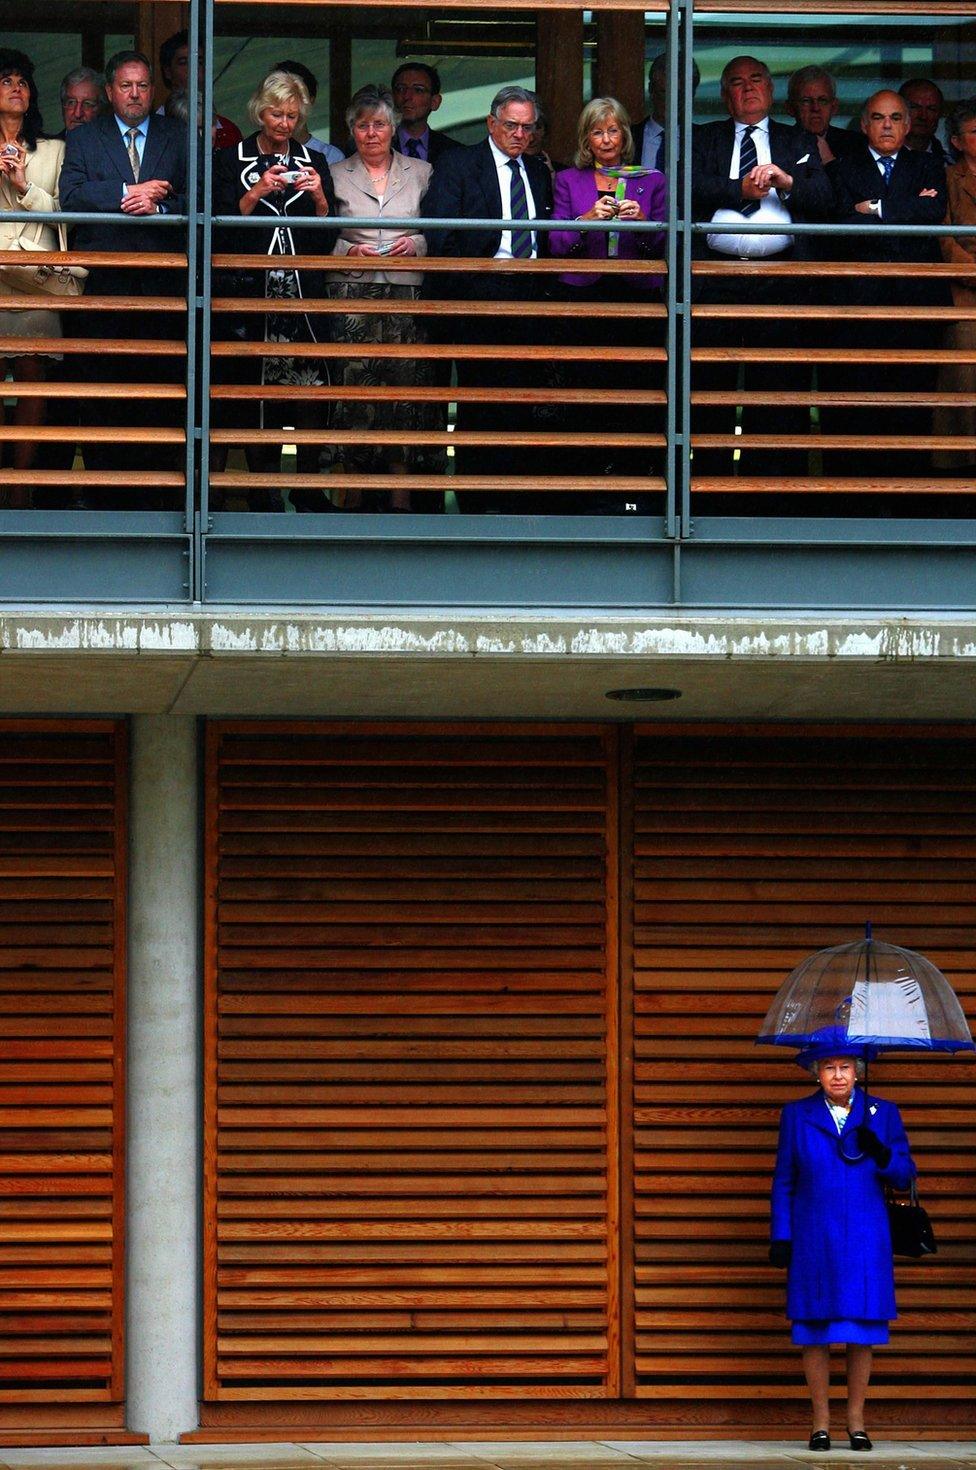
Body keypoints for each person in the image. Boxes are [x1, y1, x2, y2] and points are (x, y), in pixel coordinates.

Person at [691, 55, 832, 484]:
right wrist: (740, 189)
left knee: (777, 390)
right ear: (724, 95)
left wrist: (787, 183)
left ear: (771, 91)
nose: (748, 88)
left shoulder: (798, 140)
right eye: (736, 82)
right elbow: (686, 187)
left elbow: (825, 200)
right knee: (709, 389)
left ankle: (771, 494)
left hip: (781, 281)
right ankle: (708, 492)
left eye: (756, 80)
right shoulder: (704, 137)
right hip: (715, 280)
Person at [770, 1047, 915, 1452]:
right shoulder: (796, 1114)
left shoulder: (882, 1112)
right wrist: (781, 1236)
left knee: (861, 1329)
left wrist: (882, 1151)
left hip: (866, 1238)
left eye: (845, 1067)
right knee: (814, 1329)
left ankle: (856, 1422)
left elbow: (904, 1174)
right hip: (813, 1236)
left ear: (858, 1072)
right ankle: (820, 1423)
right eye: (829, 1068)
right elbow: (784, 1179)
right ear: (816, 1073)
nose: (838, 1075)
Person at [60, 49, 187, 506]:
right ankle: (104, 491)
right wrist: (127, 193)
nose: (135, 94)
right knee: (102, 385)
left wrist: (162, 205)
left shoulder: (177, 134)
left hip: (163, 284)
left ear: (153, 91)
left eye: (143, 86)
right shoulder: (86, 137)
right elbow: (71, 196)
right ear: (110, 91)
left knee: (159, 386)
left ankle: (156, 493)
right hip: (106, 281)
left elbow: (198, 197)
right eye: (126, 86)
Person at [421, 84, 553, 511]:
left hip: (530, 296)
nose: (519, 134)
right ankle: (477, 499)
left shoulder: (535, 169)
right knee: (479, 402)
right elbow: (440, 231)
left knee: (520, 402)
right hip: (477, 295)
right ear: (491, 123)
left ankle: (514, 494)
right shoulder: (459, 162)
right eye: (511, 125)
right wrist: (479, 278)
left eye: (527, 127)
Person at [212, 69, 336, 512]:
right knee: (253, 391)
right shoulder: (230, 159)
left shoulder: (314, 160)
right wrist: (256, 192)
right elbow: (219, 231)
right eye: (275, 113)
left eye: (292, 115)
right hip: (252, 290)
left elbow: (326, 239)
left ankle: (306, 489)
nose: (284, 123)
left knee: (309, 387)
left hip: (301, 292)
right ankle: (262, 490)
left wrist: (320, 198)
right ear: (259, 112)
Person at [824, 90, 948, 486]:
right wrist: (904, 208)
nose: (888, 125)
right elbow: (841, 224)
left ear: (908, 125)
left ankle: (909, 495)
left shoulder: (930, 165)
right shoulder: (842, 168)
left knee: (912, 403)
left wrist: (876, 209)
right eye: (879, 118)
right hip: (860, 305)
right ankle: (855, 496)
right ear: (864, 126)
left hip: (917, 303)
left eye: (896, 117)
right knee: (859, 402)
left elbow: (931, 212)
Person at [327, 84, 439, 511]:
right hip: (352, 291)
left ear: (393, 128)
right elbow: (322, 234)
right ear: (351, 131)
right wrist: (347, 250)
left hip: (406, 291)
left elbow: (437, 231)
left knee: (403, 391)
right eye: (362, 126)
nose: (371, 133)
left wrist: (417, 245)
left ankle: (401, 497)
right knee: (355, 391)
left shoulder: (422, 171)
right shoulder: (335, 173)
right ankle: (353, 494)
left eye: (379, 124)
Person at [549, 97, 666, 503]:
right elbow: (557, 243)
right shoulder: (568, 180)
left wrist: (644, 223)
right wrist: (587, 220)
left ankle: (634, 486)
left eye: (613, 130)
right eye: (597, 132)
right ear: (586, 138)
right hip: (584, 294)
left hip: (636, 295)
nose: (606, 139)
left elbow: (665, 244)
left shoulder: (652, 179)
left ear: (625, 135)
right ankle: (588, 484)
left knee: (634, 390)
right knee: (587, 389)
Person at [0, 48, 66, 507]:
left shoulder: (55, 148)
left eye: (22, 80)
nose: (17, 87)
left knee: (32, 375)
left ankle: (19, 483)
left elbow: (64, 213)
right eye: (6, 80)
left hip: (31, 275)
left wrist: (25, 185)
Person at [933, 100, 976, 474]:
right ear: (958, 142)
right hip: (965, 302)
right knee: (964, 397)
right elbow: (945, 241)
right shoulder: (947, 178)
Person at [158, 29, 240, 150]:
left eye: (199, 62)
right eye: (183, 62)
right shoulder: (152, 128)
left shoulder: (228, 131)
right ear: (168, 71)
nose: (193, 68)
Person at [632, 53, 701, 175]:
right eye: (664, 92)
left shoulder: (704, 142)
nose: (671, 101)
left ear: (691, 94)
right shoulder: (629, 137)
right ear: (651, 90)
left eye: (679, 94)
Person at [786, 65, 865, 165]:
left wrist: (829, 161)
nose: (815, 108)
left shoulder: (855, 145)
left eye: (823, 100)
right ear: (790, 108)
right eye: (806, 101)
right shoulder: (778, 145)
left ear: (834, 107)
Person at [272, 61, 342, 165]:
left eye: (296, 96)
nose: (286, 103)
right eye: (278, 96)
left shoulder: (330, 157)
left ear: (310, 100)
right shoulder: (251, 153)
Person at [390, 63, 458, 165]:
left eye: (418, 90)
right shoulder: (375, 146)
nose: (407, 96)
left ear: (435, 102)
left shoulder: (454, 152)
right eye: (401, 89)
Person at [899, 78, 949, 162]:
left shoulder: (949, 165)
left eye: (931, 109)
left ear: (940, 113)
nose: (923, 116)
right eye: (914, 107)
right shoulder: (876, 160)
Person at [56, 66, 103, 137]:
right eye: (71, 102)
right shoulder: (51, 147)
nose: (78, 114)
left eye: (87, 104)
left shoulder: (114, 146)